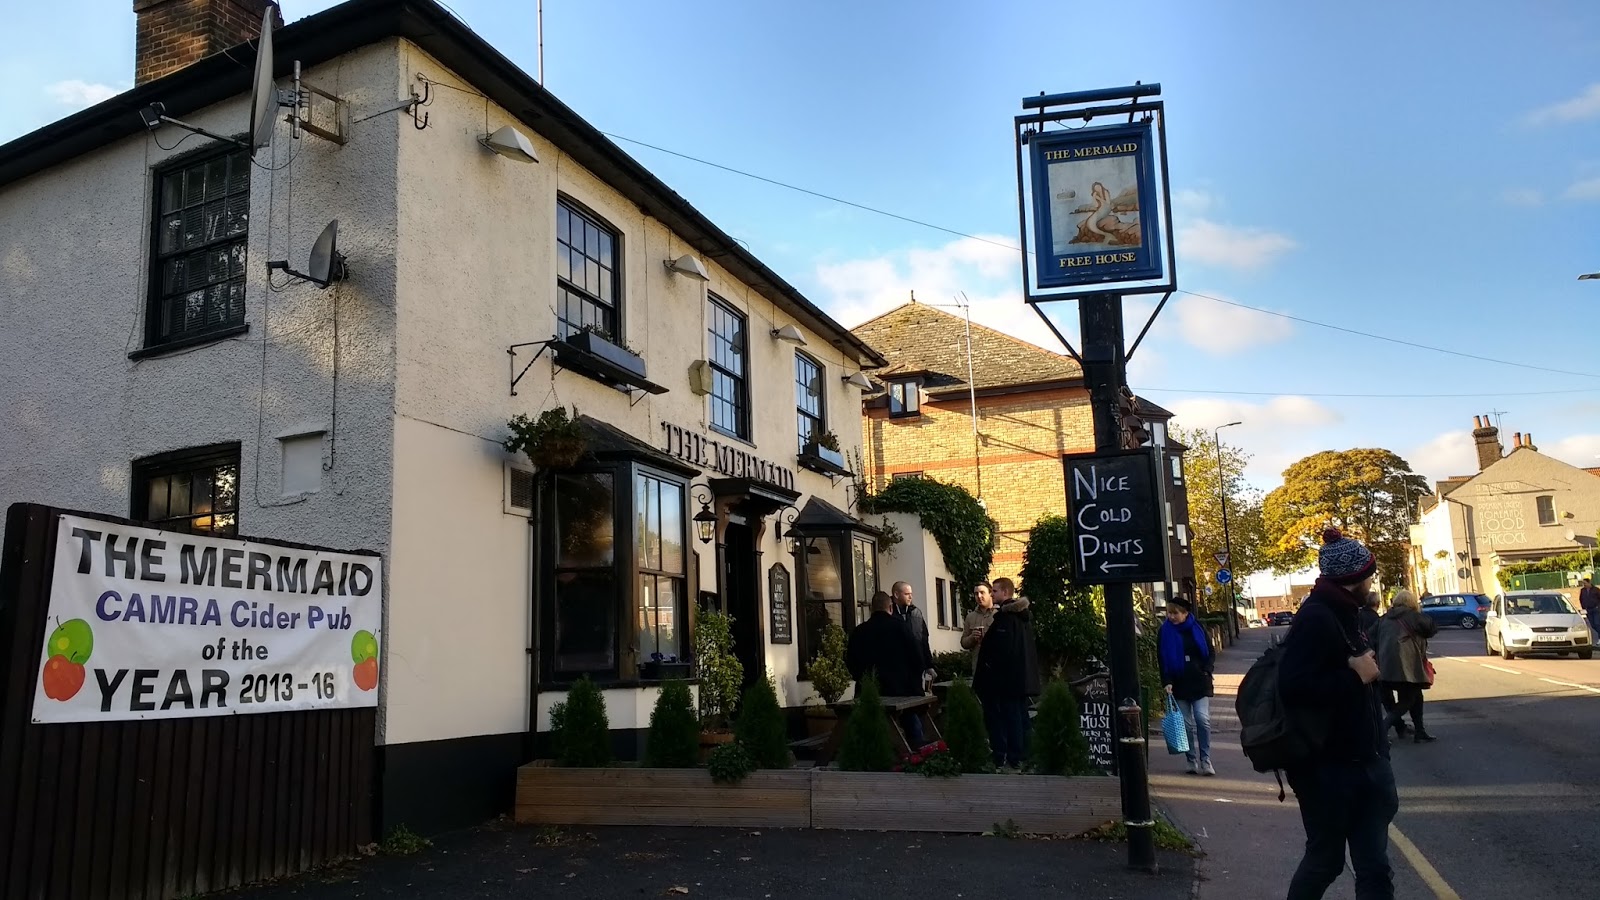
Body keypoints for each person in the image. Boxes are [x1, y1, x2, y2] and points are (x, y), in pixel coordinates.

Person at [1278, 527, 1398, 900]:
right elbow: (1293, 686)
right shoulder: (1316, 617)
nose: (1371, 581)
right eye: (1368, 575)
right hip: (1327, 770)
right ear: (1353, 579)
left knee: (1374, 867)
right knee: (1325, 862)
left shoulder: (1349, 614)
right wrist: (1355, 677)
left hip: (1366, 763)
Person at [972, 586, 1041, 771]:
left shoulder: (1007, 618)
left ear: (1005, 593)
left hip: (1006, 681)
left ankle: (1012, 757)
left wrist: (989, 670)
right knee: (1020, 717)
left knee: (1010, 719)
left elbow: (1000, 653)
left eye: (994, 590)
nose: (992, 594)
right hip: (1019, 679)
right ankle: (1022, 755)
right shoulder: (1021, 617)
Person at [847, 590, 925, 737]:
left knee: (866, 733)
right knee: (912, 726)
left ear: (871, 609)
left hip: (868, 690)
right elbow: (917, 657)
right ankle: (918, 753)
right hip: (900, 690)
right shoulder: (900, 627)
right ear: (890, 608)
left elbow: (851, 661)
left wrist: (861, 678)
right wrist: (913, 682)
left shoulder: (859, 631)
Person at [1158, 594, 1215, 775]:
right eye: (1169, 613)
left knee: (1202, 719)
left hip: (1199, 682)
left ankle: (1205, 759)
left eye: (1175, 613)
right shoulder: (1164, 632)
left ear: (1185, 613)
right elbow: (1163, 658)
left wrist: (1206, 670)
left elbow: (1210, 651)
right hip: (1178, 683)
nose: (1171, 617)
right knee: (1185, 724)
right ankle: (1191, 759)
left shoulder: (1197, 628)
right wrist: (1167, 681)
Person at [1373, 589, 1438, 743]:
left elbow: (1371, 637)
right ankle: (1383, 728)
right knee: (1407, 700)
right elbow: (1431, 628)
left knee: (1416, 696)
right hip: (1407, 667)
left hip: (1386, 667)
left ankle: (1419, 730)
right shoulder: (1414, 617)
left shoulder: (1383, 619)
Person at [961, 578, 1031, 674]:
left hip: (997, 669)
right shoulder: (971, 616)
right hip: (978, 666)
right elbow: (963, 643)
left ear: (990, 594)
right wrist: (972, 637)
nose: (979, 596)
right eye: (976, 594)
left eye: (982, 592)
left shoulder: (1001, 614)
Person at [891, 581, 935, 693]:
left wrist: (928, 665)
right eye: (907, 594)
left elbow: (924, 640)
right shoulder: (888, 612)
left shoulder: (916, 613)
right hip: (895, 669)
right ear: (896, 595)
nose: (911, 597)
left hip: (916, 667)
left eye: (911, 593)